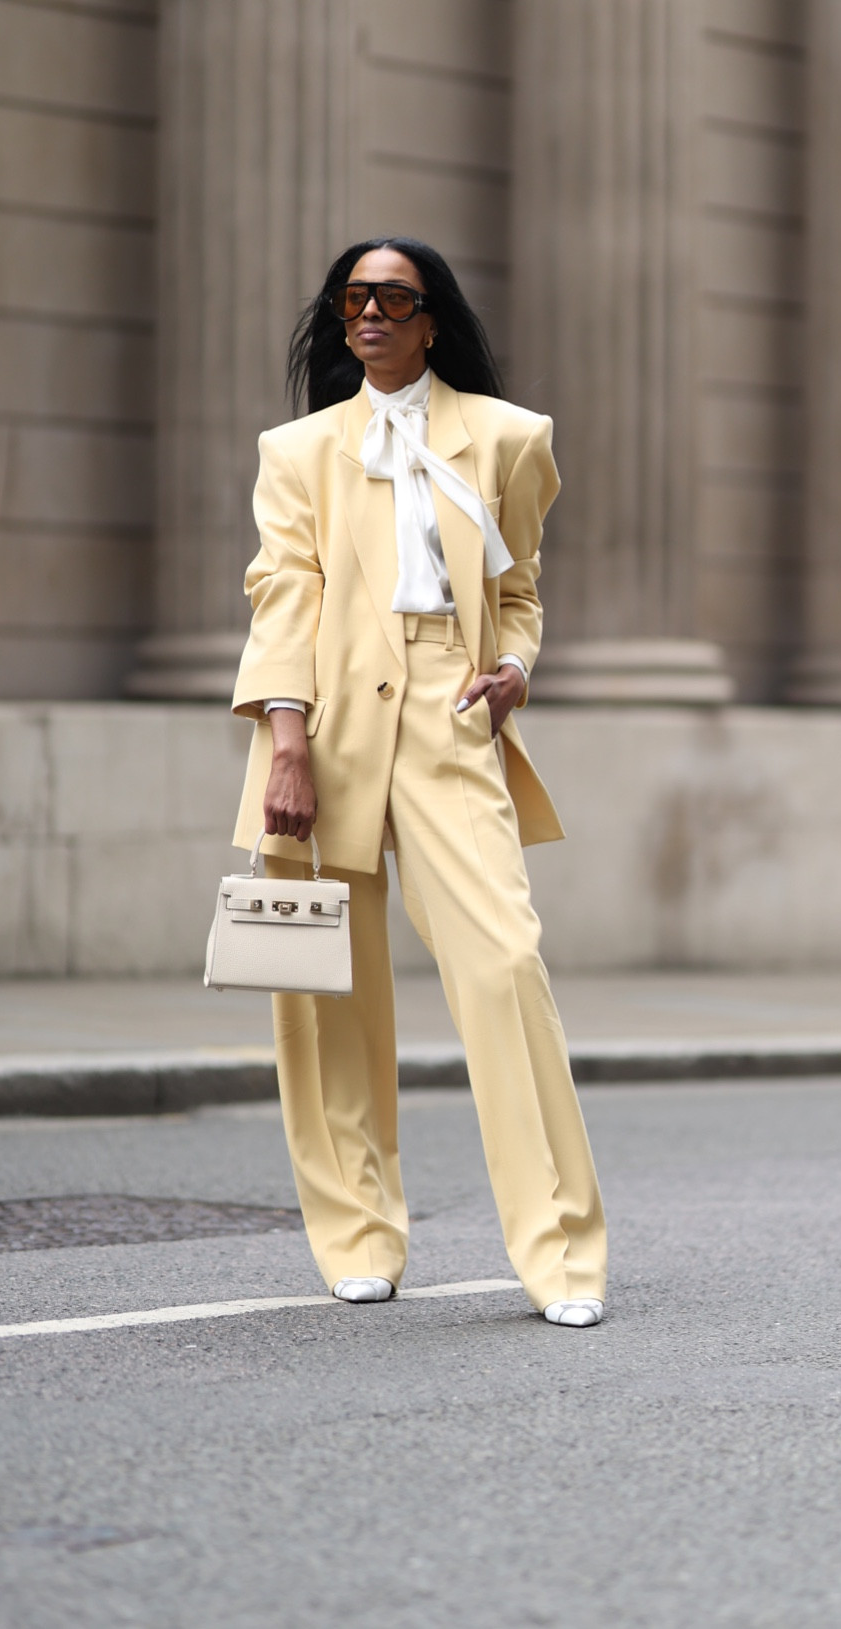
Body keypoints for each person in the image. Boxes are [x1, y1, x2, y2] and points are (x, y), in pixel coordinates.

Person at [230, 235, 607, 1328]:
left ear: (433, 317)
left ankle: (563, 1252)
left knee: (503, 965)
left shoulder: (508, 437)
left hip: (450, 710)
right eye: (354, 298)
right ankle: (357, 1234)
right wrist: (285, 741)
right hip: (324, 718)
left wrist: (516, 669)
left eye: (394, 297)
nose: (371, 315)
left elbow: (520, 587)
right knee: (325, 990)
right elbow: (282, 596)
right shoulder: (296, 450)